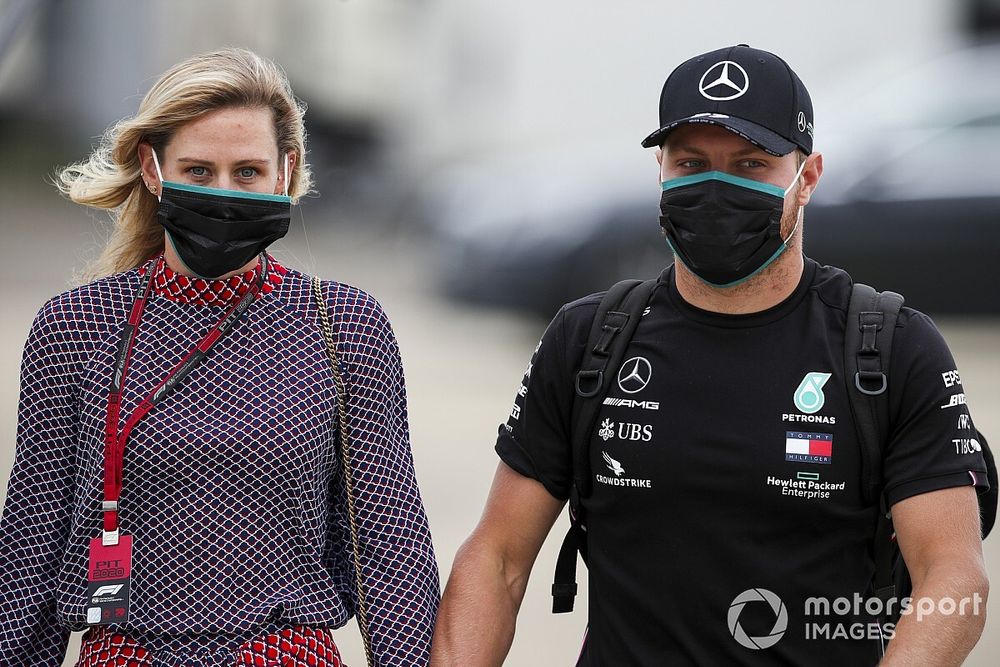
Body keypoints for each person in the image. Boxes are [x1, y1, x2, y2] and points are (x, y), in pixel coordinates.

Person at [431, 44, 990, 665]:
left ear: (807, 178)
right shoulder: (588, 339)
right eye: (691, 163)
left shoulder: (892, 348)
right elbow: (498, 558)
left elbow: (953, 581)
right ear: (660, 172)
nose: (716, 187)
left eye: (751, 165)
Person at [0, 48, 439, 667]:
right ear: (152, 171)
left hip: (284, 653)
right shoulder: (78, 326)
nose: (224, 193)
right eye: (199, 171)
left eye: (248, 172)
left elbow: (389, 536)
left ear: (285, 173)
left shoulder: (343, 325)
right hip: (126, 654)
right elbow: (31, 538)